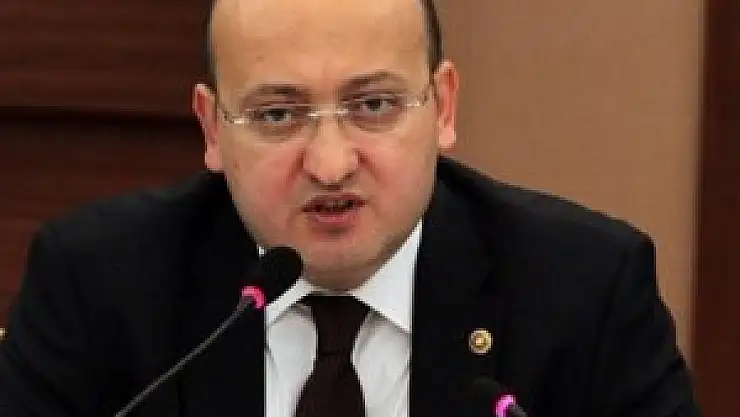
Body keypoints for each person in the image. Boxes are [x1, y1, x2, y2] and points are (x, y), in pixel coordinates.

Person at [0, 0, 699, 416]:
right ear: (212, 128)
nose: (331, 163)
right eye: (278, 114)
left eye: (373, 105)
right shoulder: (96, 288)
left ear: (443, 107)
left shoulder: (587, 295)